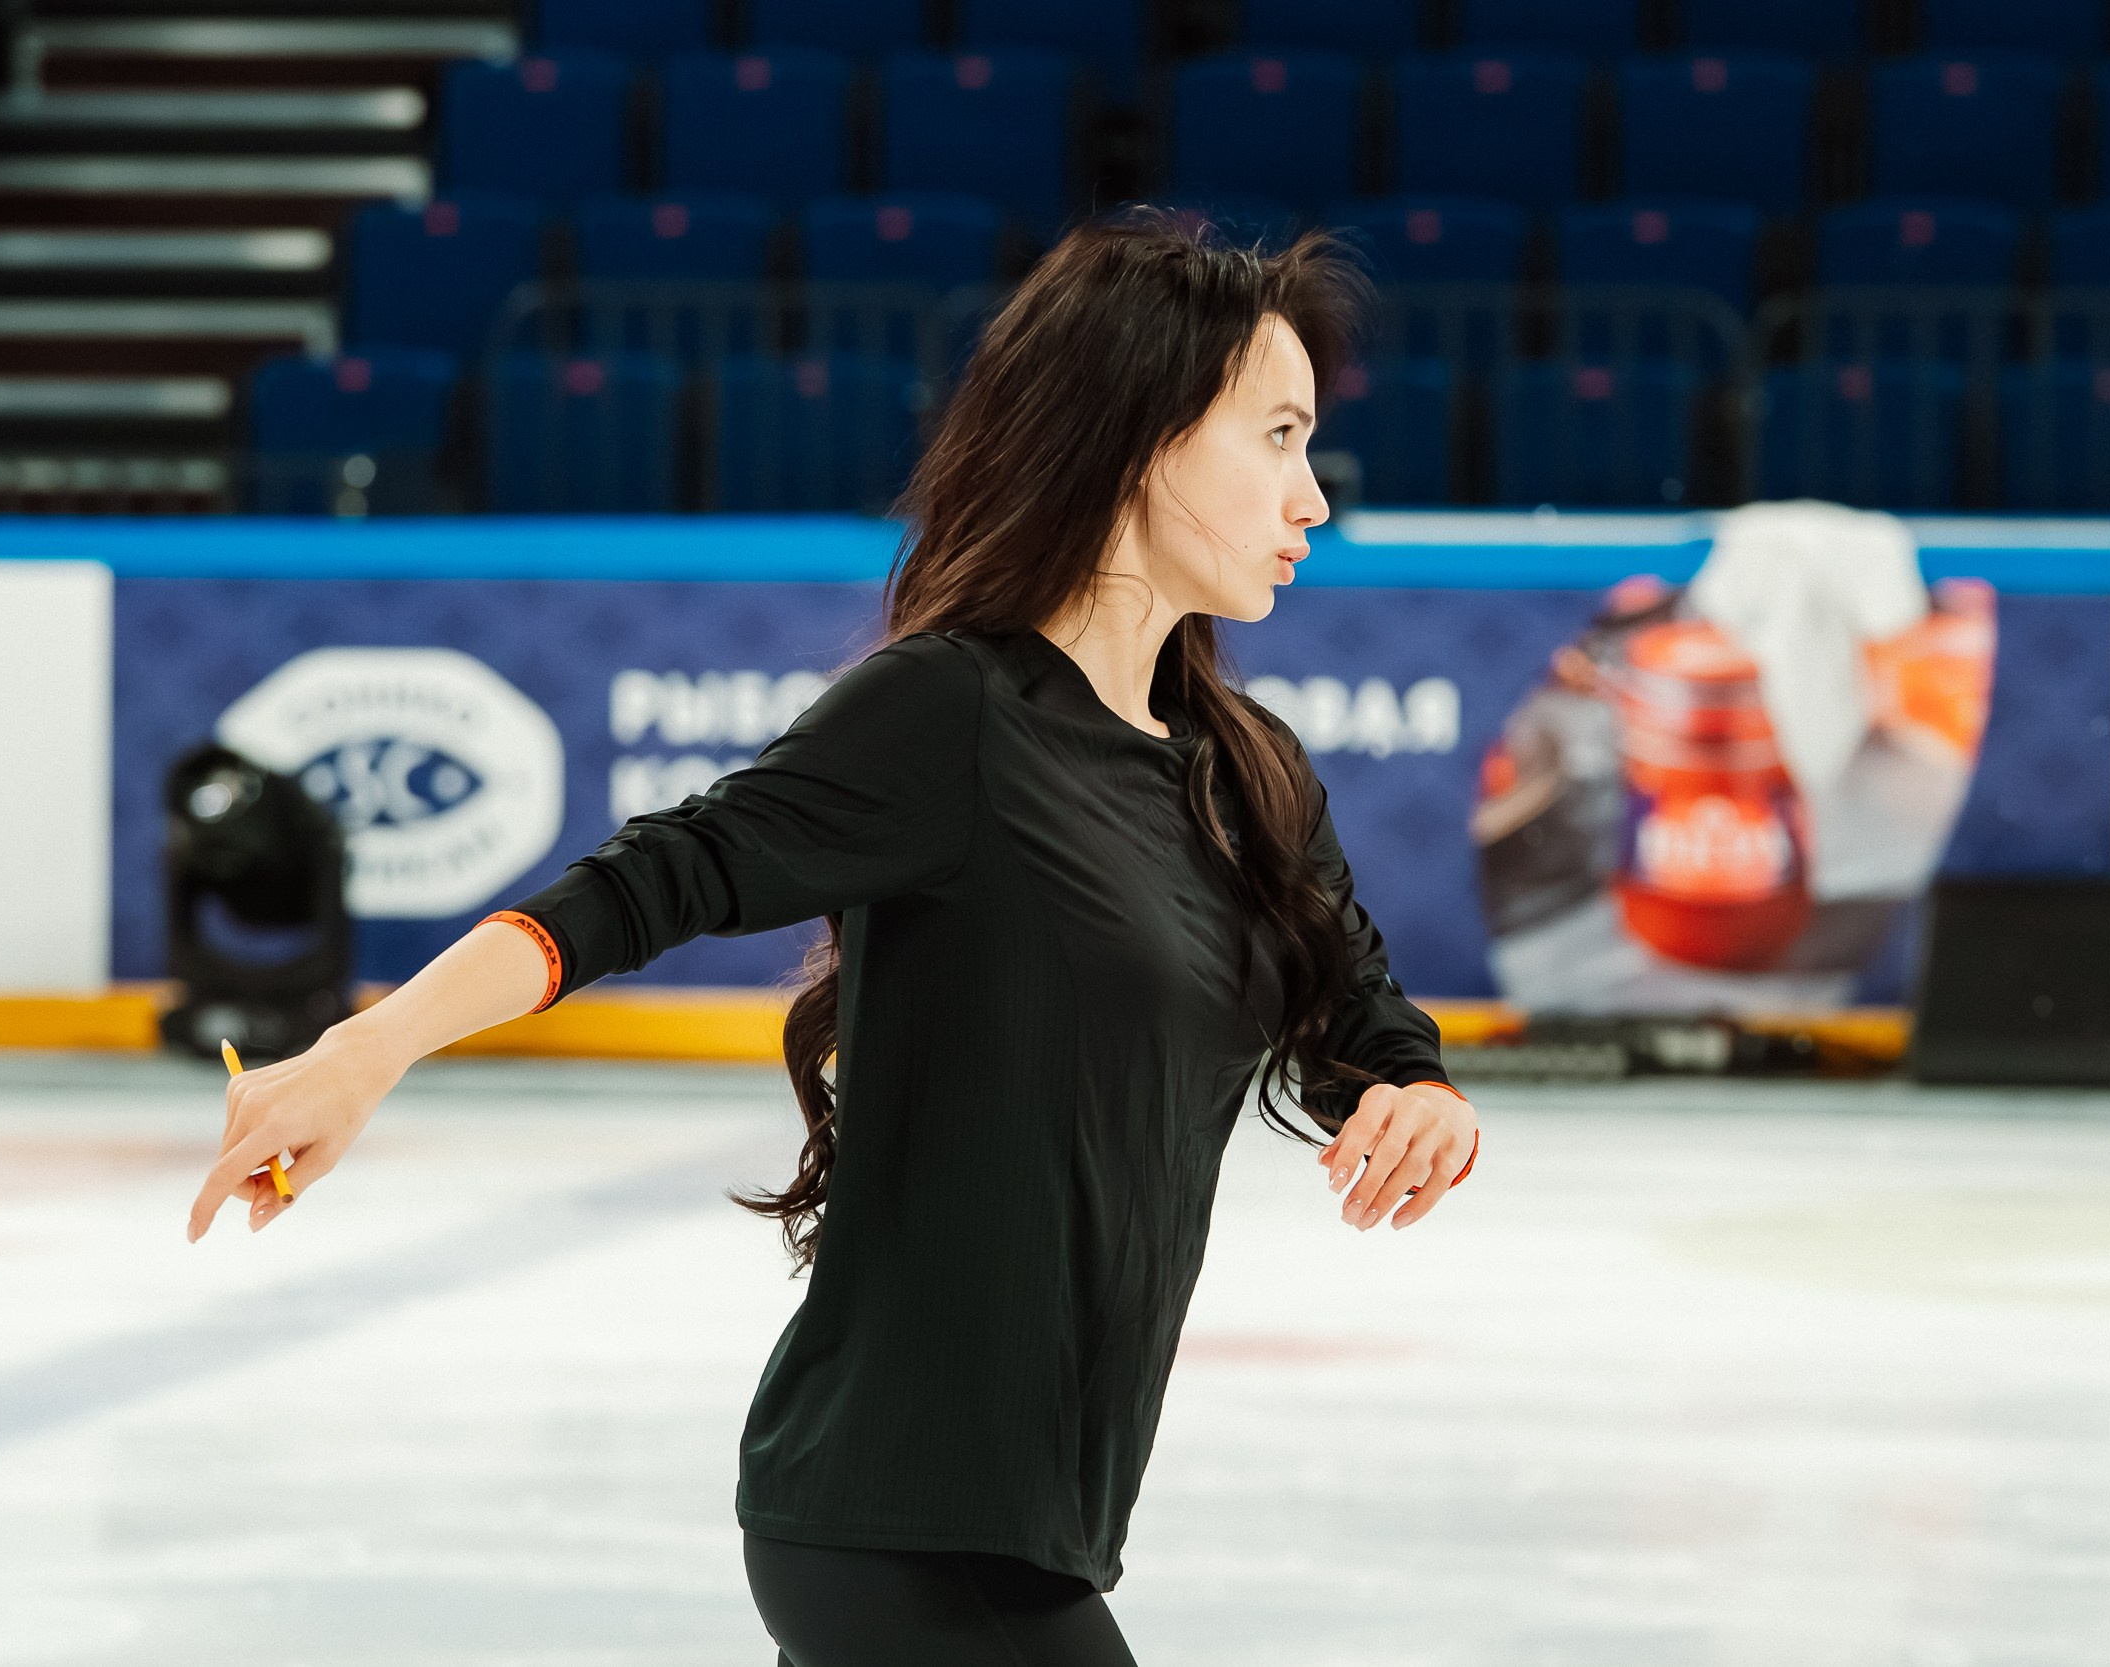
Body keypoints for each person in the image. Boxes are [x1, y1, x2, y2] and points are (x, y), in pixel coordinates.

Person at [187, 210, 1483, 1667]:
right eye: (1279, 437)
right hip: (898, 1521)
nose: (1313, 497)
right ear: (1140, 437)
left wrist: (1414, 1089)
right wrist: (365, 1051)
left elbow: (1356, 1004)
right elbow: (657, 877)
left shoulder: (1249, 773)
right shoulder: (953, 712)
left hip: (1031, 1520)